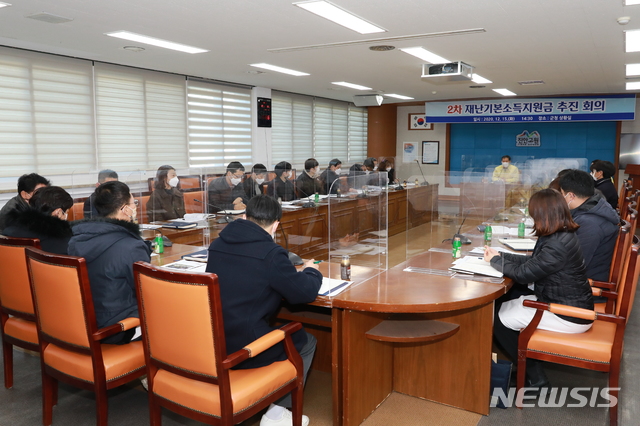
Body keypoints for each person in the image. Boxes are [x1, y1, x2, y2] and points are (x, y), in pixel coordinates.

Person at [205, 195, 322, 426]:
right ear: (276, 225)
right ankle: (276, 414)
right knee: (305, 340)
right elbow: (304, 293)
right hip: (244, 346)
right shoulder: (271, 254)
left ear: (245, 216)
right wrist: (311, 271)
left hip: (213, 341)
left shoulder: (217, 244)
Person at [485, 188, 594, 388]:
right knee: (504, 307)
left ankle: (535, 378)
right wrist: (501, 255)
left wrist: (495, 261)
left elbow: (523, 274)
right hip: (561, 301)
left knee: (499, 320)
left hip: (568, 313)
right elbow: (533, 262)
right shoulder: (560, 234)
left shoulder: (556, 244)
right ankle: (529, 367)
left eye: (534, 215)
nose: (532, 219)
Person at [68, 181, 151, 344]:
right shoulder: (131, 247)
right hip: (118, 330)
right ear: (125, 209)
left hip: (81, 324)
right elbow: (147, 292)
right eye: (134, 203)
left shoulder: (75, 239)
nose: (135, 208)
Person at [559, 170, 619, 282]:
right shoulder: (593, 210)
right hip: (584, 279)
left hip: (586, 287)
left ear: (571, 195)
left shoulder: (589, 223)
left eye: (562, 194)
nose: (561, 199)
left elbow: (574, 265)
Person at [3, 186, 73, 254]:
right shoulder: (61, 243)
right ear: (58, 213)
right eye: (66, 212)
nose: (66, 216)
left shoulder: (9, 231)